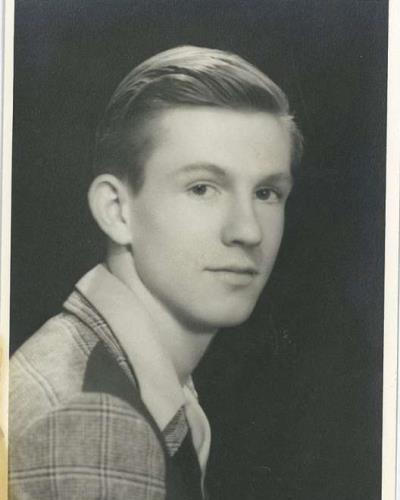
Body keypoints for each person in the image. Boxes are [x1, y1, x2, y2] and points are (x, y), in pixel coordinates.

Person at [9, 46, 303, 499]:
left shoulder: (120, 375)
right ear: (116, 210)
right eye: (202, 188)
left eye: (266, 192)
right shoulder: (94, 430)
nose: (248, 231)